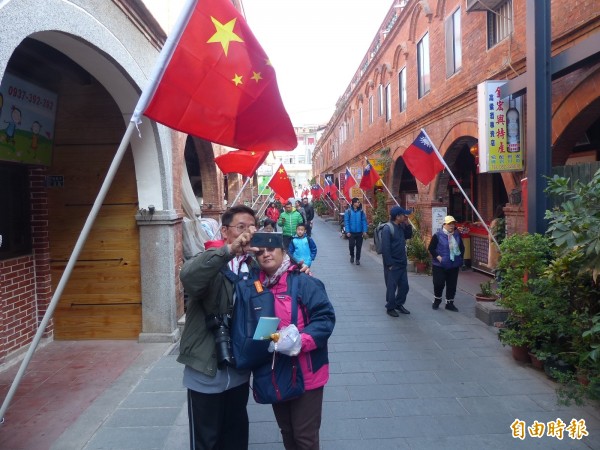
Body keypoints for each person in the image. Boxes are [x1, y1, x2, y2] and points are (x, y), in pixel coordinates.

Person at [178, 205, 259, 450]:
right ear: (225, 231)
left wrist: (298, 270)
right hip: (206, 369)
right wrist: (228, 252)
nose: (248, 233)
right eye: (241, 227)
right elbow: (189, 277)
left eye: (252, 227)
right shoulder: (210, 260)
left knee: (236, 438)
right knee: (206, 441)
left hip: (238, 372)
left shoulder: (254, 268)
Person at [254, 242, 335, 450]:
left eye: (271, 248)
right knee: (287, 431)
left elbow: (324, 319)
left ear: (283, 251)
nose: (266, 254)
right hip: (275, 371)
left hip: (306, 371)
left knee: (304, 436)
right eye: (260, 251)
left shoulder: (304, 283)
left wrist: (299, 341)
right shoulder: (255, 284)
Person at [381, 206, 413, 317]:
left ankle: (399, 304)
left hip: (402, 262)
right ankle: (390, 307)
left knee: (404, 286)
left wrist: (408, 223)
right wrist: (389, 264)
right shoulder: (387, 228)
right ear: (397, 216)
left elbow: (409, 235)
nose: (405, 216)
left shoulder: (401, 226)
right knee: (391, 287)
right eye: (403, 215)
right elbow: (385, 248)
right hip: (393, 264)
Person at [428, 215, 465, 312]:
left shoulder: (457, 235)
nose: (452, 226)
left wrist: (460, 259)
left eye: (453, 223)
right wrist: (439, 258)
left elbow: (462, 248)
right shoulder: (437, 235)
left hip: (453, 264)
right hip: (439, 265)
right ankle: (437, 299)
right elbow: (431, 248)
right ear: (444, 224)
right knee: (438, 283)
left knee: (452, 285)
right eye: (449, 224)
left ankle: (449, 303)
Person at [343, 197, 368, 265]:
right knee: (351, 245)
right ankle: (352, 255)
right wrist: (347, 231)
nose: (359, 203)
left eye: (359, 202)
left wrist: (364, 231)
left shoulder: (361, 211)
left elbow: (364, 221)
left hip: (359, 232)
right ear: (353, 203)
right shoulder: (348, 211)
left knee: (359, 246)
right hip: (351, 232)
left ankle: (357, 259)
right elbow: (346, 222)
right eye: (357, 202)